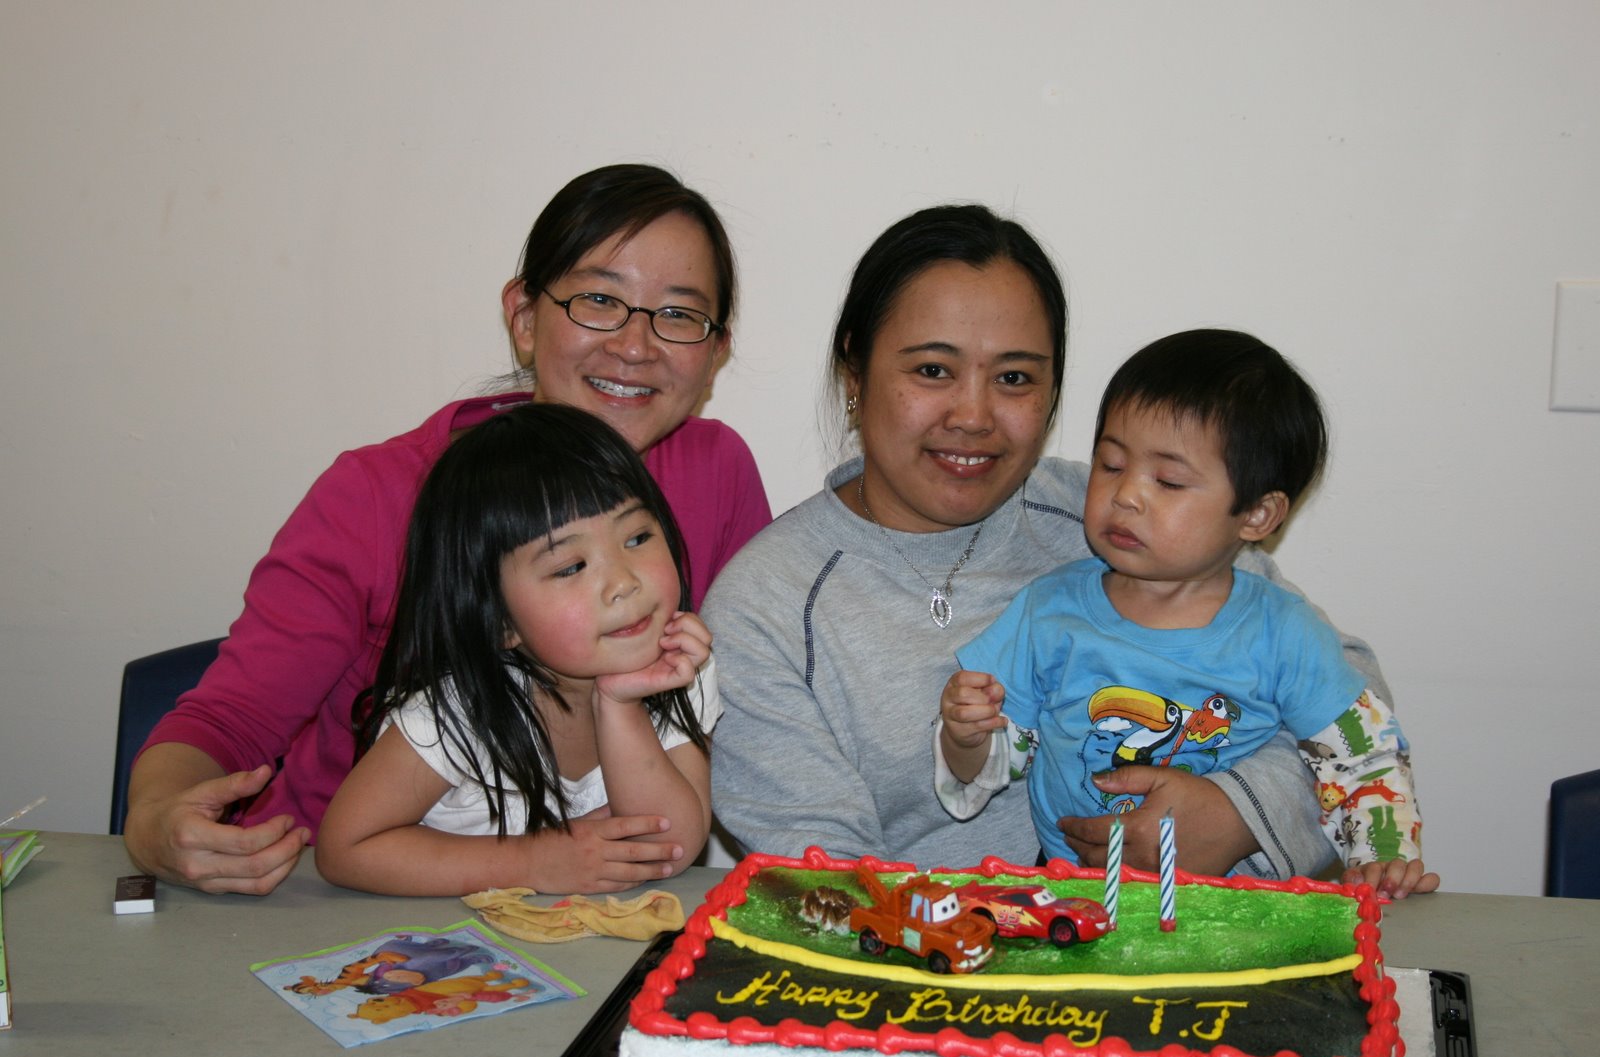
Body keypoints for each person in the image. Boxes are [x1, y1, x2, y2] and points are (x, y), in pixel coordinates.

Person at [126, 164, 771, 895]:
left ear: (715, 350)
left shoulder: (716, 471)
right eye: (599, 300)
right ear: (524, 317)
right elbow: (232, 719)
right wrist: (153, 820)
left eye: (679, 314)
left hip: (591, 905)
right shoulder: (376, 493)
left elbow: (730, 715)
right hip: (343, 898)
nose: (635, 344)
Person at [706, 204, 1388, 879]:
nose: (973, 416)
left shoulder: (1115, 516)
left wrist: (1238, 814)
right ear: (855, 371)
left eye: (1014, 378)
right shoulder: (768, 604)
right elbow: (823, 875)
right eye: (933, 370)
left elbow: (1348, 693)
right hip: (929, 942)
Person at [940, 330, 1436, 899]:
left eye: (1169, 481)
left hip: (1241, 910)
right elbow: (997, 762)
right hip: (1076, 899)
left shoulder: (1283, 631)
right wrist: (965, 738)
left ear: (1256, 515)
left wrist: (1383, 857)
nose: (1126, 495)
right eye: (1111, 464)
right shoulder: (1048, 612)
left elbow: (1362, 754)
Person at [316, 405, 714, 895]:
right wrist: (531, 862)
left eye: (637, 538)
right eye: (570, 567)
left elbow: (670, 848)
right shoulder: (455, 714)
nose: (623, 582)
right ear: (500, 620)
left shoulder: (682, 667)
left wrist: (620, 706)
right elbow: (345, 849)